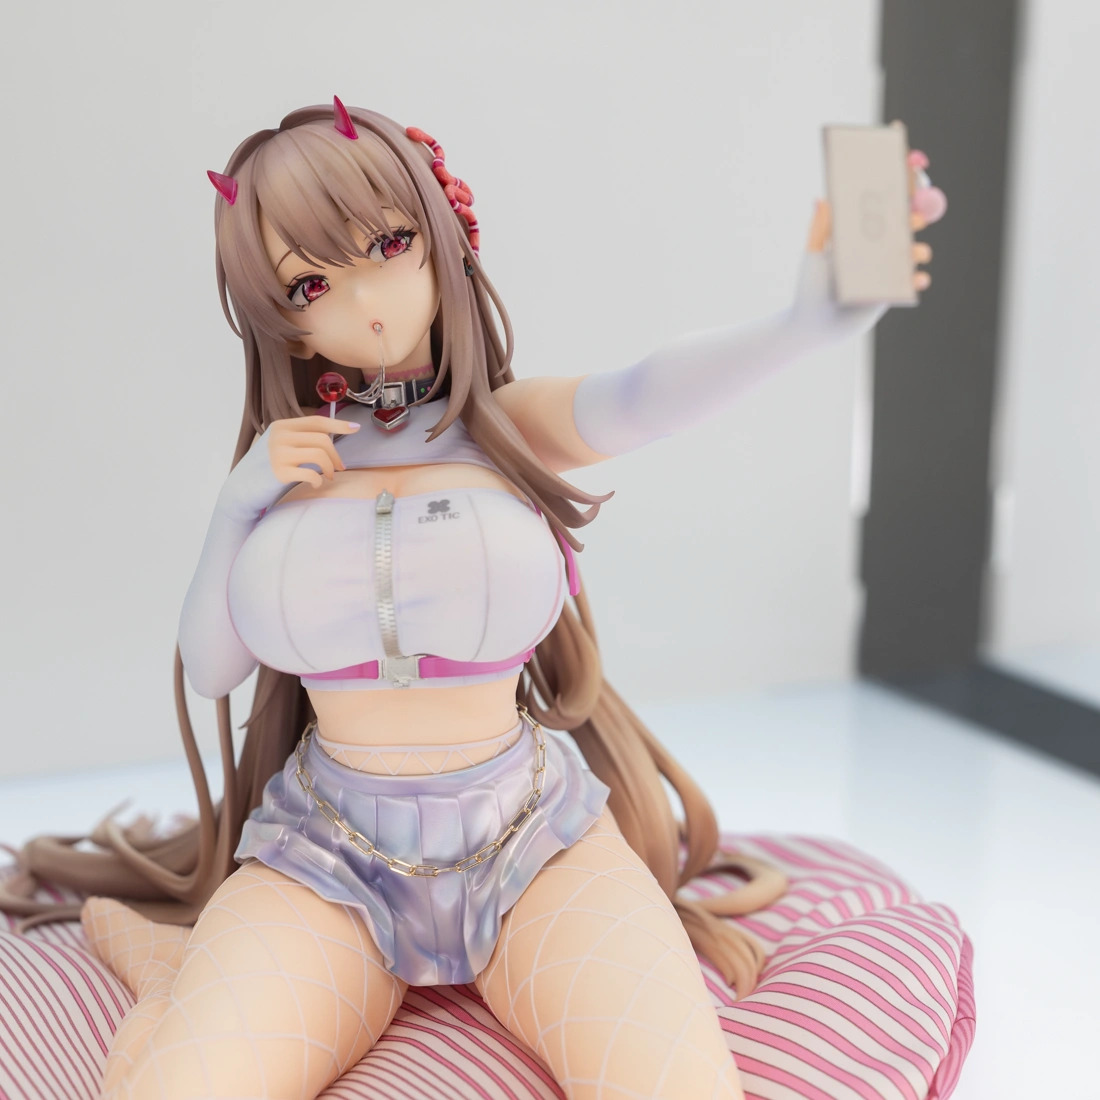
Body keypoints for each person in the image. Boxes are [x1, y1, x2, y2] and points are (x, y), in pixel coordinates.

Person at [4, 100, 941, 1099]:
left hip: (533, 842)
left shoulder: (505, 426)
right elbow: (213, 668)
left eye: (387, 244)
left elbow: (641, 395)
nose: (365, 299)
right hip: (325, 859)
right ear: (283, 319)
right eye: (311, 282)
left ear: (441, 230)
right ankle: (173, 982)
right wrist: (238, 503)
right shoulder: (287, 466)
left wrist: (803, 325)